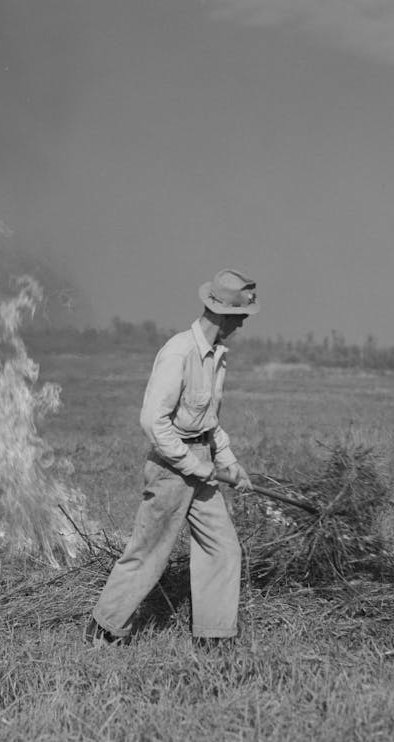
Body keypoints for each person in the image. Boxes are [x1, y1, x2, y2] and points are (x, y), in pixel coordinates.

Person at [87, 268, 259, 647]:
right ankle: (105, 627)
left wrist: (227, 460)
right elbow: (153, 423)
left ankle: (213, 637)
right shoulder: (178, 352)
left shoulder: (217, 357)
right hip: (171, 466)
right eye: (241, 316)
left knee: (223, 547)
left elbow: (209, 420)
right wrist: (195, 465)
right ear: (224, 314)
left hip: (201, 458)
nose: (244, 323)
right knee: (150, 551)